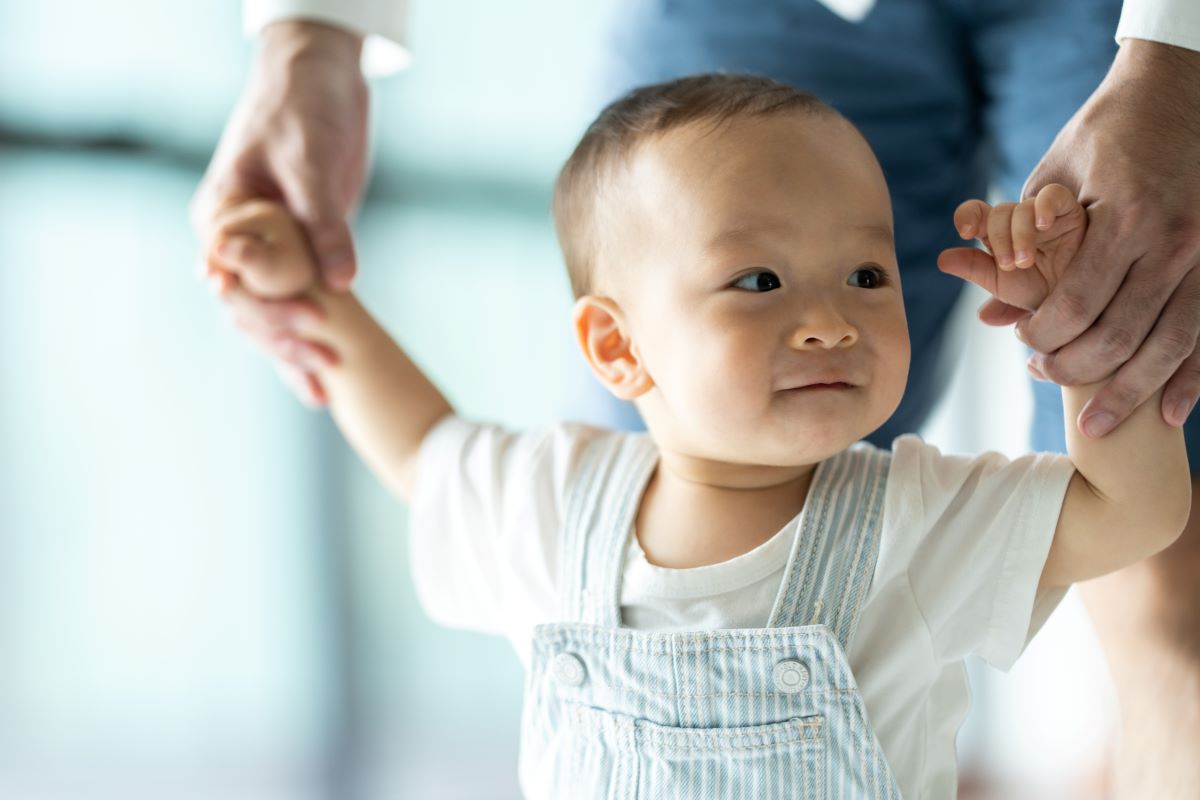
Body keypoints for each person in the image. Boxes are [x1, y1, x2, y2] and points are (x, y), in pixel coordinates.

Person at [192, 1, 1200, 795]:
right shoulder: (560, 499)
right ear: (616, 345)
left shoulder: (924, 515)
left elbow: (1139, 515)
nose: (829, 322)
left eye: (867, 275)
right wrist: (313, 291)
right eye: (758, 282)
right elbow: (420, 445)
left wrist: (1087, 337)